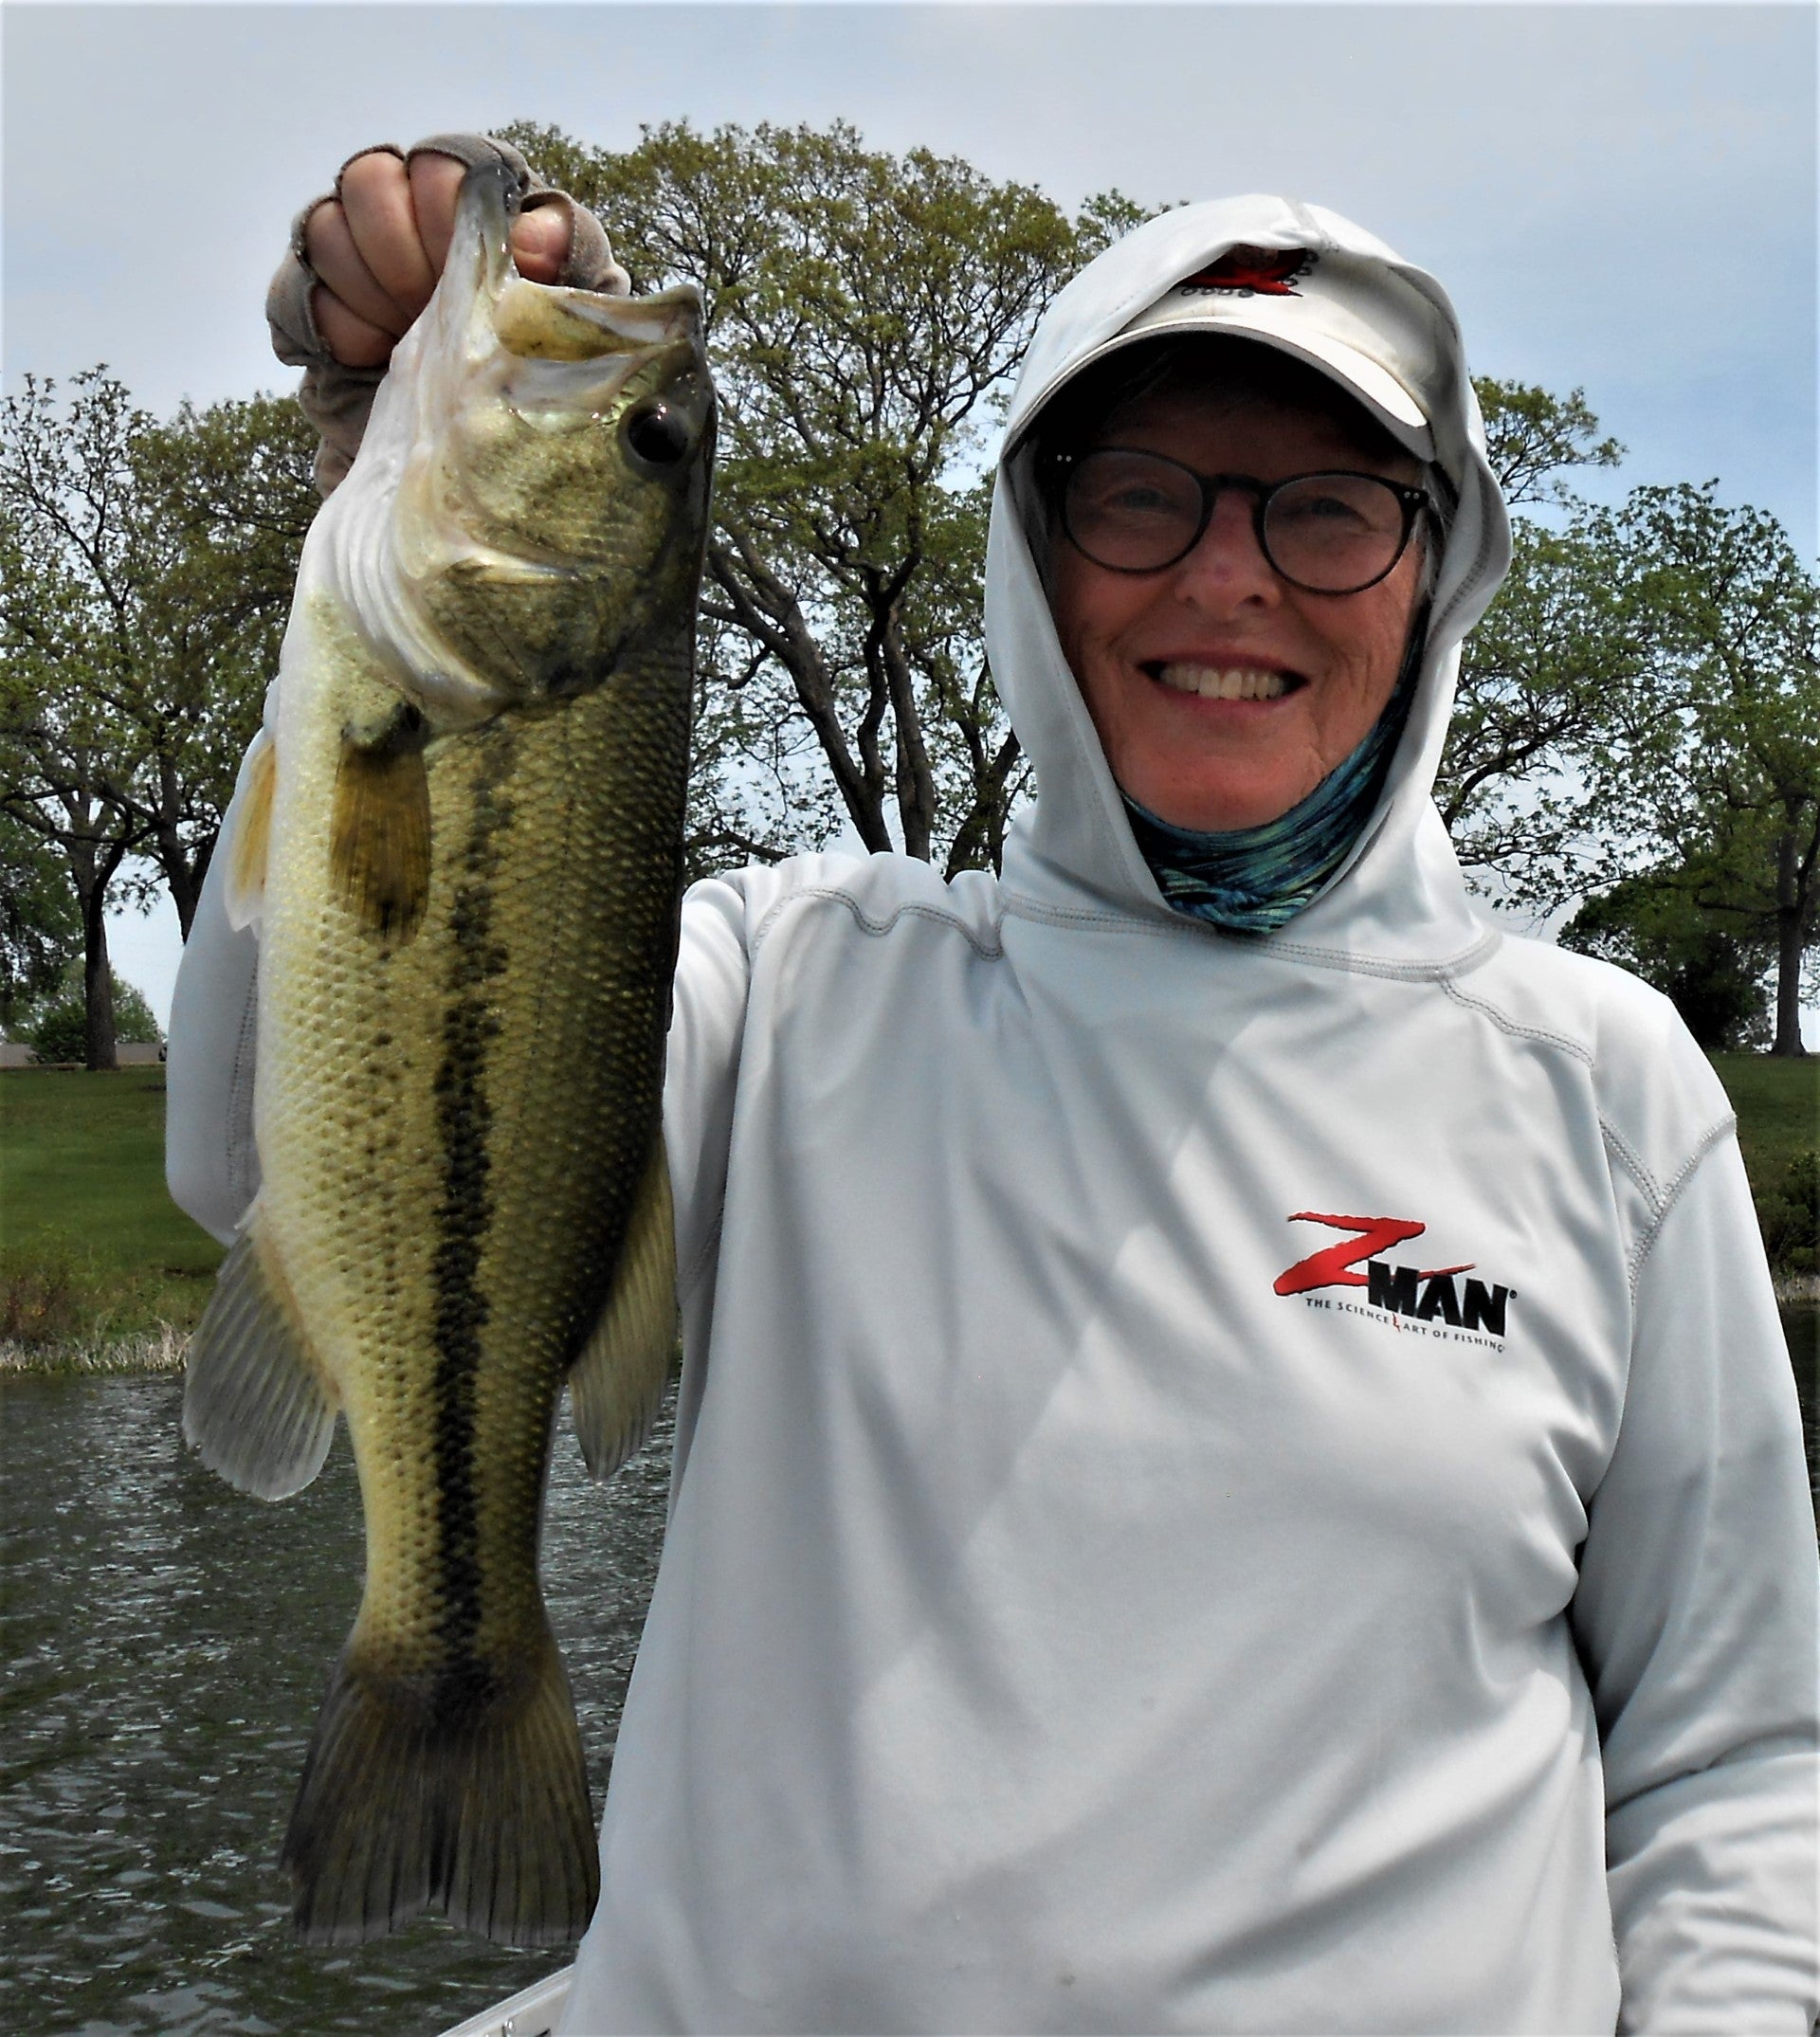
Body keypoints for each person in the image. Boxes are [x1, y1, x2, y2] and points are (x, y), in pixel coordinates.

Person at [168, 135, 1819, 2033]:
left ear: (1431, 560)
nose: (1227, 577)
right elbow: (244, 1146)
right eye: (1139, 496)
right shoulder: (787, 986)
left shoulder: (1603, 1090)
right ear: (1037, 552)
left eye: (1329, 506)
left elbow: (1736, 1763)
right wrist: (383, 456)